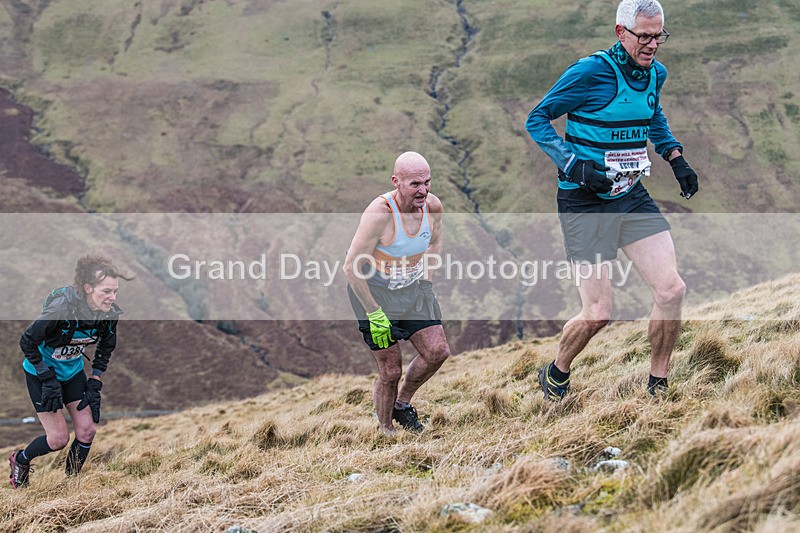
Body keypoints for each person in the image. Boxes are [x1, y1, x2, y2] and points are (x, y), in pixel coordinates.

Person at [526, 0, 698, 401]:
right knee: (599, 312)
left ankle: (657, 384)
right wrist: (574, 165)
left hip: (630, 196)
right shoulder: (590, 72)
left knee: (671, 290)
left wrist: (676, 157)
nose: (653, 44)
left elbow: (652, 115)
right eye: (645, 36)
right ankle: (556, 370)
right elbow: (538, 118)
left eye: (659, 36)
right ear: (621, 33)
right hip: (584, 204)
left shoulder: (656, 74)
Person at [343, 151, 450, 435]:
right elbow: (351, 267)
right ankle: (386, 429)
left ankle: (402, 405)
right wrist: (374, 312)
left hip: (413, 289)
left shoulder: (433, 206)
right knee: (390, 371)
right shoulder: (380, 214)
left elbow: (435, 243)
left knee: (438, 352)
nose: (423, 190)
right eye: (415, 184)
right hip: (374, 294)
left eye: (427, 182)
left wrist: (426, 283)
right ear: (396, 181)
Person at [9, 255, 133, 488]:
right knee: (58, 440)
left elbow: (107, 346)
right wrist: (47, 377)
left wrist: (95, 380)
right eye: (106, 291)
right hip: (41, 375)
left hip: (73, 372)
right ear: (88, 288)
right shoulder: (62, 309)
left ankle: (71, 484)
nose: (112, 298)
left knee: (87, 431)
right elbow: (27, 342)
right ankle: (21, 460)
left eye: (115, 291)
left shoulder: (108, 315)